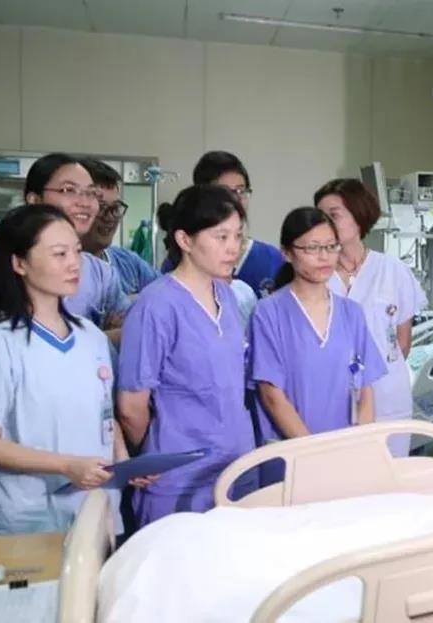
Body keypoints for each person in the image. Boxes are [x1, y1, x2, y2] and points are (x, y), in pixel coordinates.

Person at [0, 205, 152, 536]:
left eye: (76, 251)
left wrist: (124, 464)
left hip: (92, 510)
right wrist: (66, 465)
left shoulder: (91, 337)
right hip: (24, 516)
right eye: (60, 254)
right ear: (19, 263)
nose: (74, 263)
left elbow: (105, 416)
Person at [117, 185, 256, 528]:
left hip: (235, 466)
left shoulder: (226, 295)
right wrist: (161, 445)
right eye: (221, 236)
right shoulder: (156, 305)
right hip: (179, 477)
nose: (233, 247)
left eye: (238, 236)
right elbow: (131, 407)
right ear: (184, 240)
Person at [249, 207, 386, 448]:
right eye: (312, 248)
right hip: (293, 451)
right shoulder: (268, 313)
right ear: (287, 253)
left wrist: (363, 442)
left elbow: (366, 388)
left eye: (331, 246)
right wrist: (313, 452)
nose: (324, 257)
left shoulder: (351, 313)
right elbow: (271, 395)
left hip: (347, 448)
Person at [317, 179, 427, 457]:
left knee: (390, 476)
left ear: (358, 215)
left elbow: (402, 342)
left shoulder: (392, 270)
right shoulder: (316, 273)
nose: (324, 224)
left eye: (334, 215)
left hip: (388, 398)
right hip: (330, 399)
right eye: (320, 216)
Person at [0, 153, 130, 333]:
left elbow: (132, 325)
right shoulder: (9, 260)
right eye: (68, 190)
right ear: (34, 199)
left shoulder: (101, 273)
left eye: (92, 193)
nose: (85, 202)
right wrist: (101, 335)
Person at [167, 151, 282, 298]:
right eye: (224, 192)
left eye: (241, 191)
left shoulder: (271, 258)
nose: (235, 199)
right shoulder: (179, 265)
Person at [80, 159, 159, 297]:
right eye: (101, 207)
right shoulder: (62, 270)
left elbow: (169, 292)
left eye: (115, 208)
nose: (110, 217)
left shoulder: (128, 262)